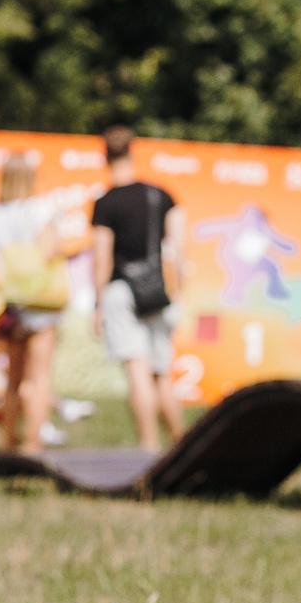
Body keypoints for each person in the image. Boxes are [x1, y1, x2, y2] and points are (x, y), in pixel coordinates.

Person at [88, 125, 186, 451]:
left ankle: (148, 449)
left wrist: (97, 304)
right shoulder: (160, 195)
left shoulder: (106, 203)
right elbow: (179, 250)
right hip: (158, 292)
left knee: (138, 372)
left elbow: (101, 257)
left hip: (122, 291)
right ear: (133, 151)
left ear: (106, 156)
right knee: (162, 376)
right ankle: (181, 447)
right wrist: (180, 293)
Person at [0, 153, 68, 455]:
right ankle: (32, 444)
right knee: (39, 378)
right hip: (43, 303)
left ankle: (9, 441)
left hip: (14, 303)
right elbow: (51, 251)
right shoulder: (42, 210)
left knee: (13, 379)